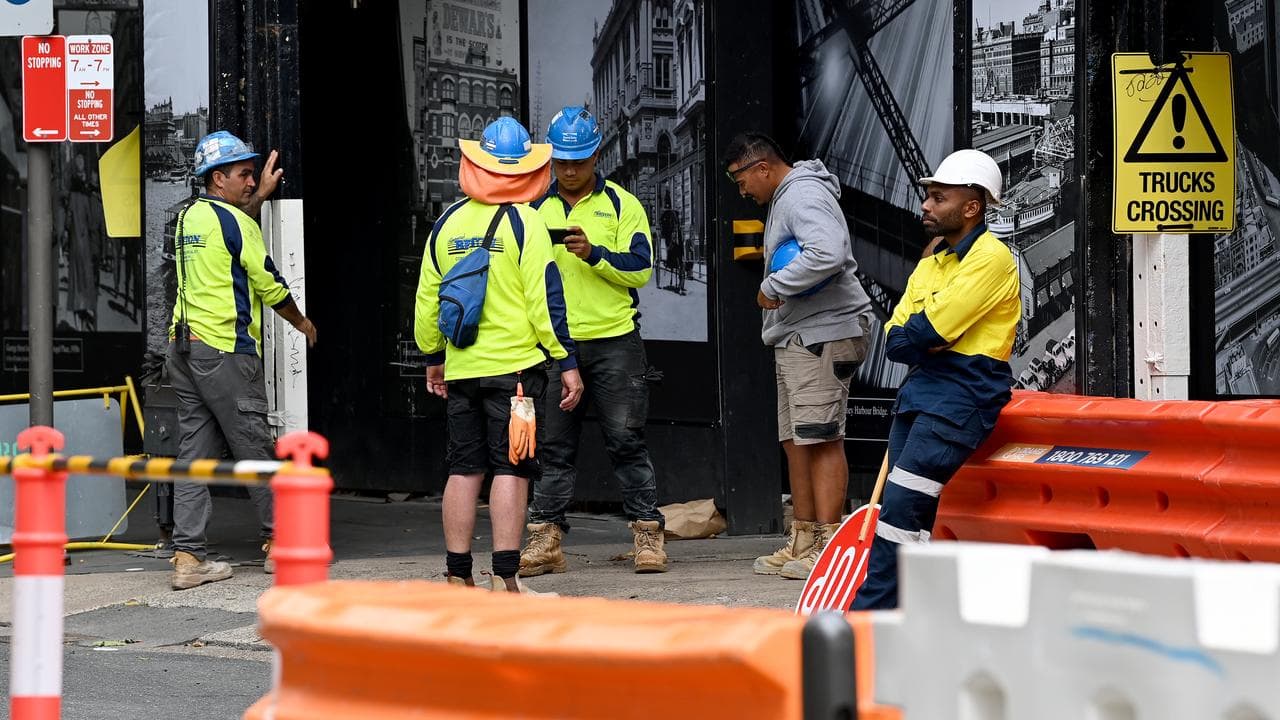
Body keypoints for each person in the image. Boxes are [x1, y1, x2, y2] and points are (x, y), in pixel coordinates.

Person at [415, 117, 585, 594]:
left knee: (463, 469)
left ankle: (457, 575)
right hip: (516, 374)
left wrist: (434, 357)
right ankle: (506, 580)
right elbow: (545, 303)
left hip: (462, 369)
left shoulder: (446, 223)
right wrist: (567, 363)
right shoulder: (528, 224)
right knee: (512, 468)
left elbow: (427, 300)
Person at [851, 149, 1021, 610]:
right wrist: (925, 336)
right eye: (928, 196)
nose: (925, 205)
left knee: (902, 507)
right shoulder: (931, 264)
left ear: (972, 207)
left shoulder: (992, 259)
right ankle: (908, 615)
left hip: (961, 395)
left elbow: (929, 332)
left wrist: (925, 336)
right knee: (908, 513)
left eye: (939, 198)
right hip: (922, 391)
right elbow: (896, 339)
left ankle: (868, 616)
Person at [518, 106, 668, 576]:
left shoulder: (623, 204)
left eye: (578, 161)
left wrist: (594, 253)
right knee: (553, 447)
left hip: (614, 340)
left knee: (626, 440)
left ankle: (648, 534)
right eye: (561, 162)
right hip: (553, 346)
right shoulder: (533, 210)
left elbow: (641, 269)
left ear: (596, 156)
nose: (569, 170)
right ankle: (545, 539)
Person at [166, 130, 317, 590]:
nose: (252, 182)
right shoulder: (237, 223)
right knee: (255, 448)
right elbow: (268, 283)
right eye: (244, 174)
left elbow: (229, 233)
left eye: (253, 175)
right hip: (226, 352)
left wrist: (259, 198)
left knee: (194, 454)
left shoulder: (187, 217)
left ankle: (188, 557)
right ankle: (281, 542)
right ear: (218, 178)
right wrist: (303, 323)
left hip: (184, 350)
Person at [723, 132, 875, 580]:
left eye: (741, 180)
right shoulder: (787, 197)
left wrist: (774, 284)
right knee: (796, 440)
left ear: (763, 168)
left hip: (823, 334)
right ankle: (804, 538)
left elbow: (828, 251)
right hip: (798, 335)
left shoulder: (802, 193)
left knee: (822, 438)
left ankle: (829, 547)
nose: (741, 191)